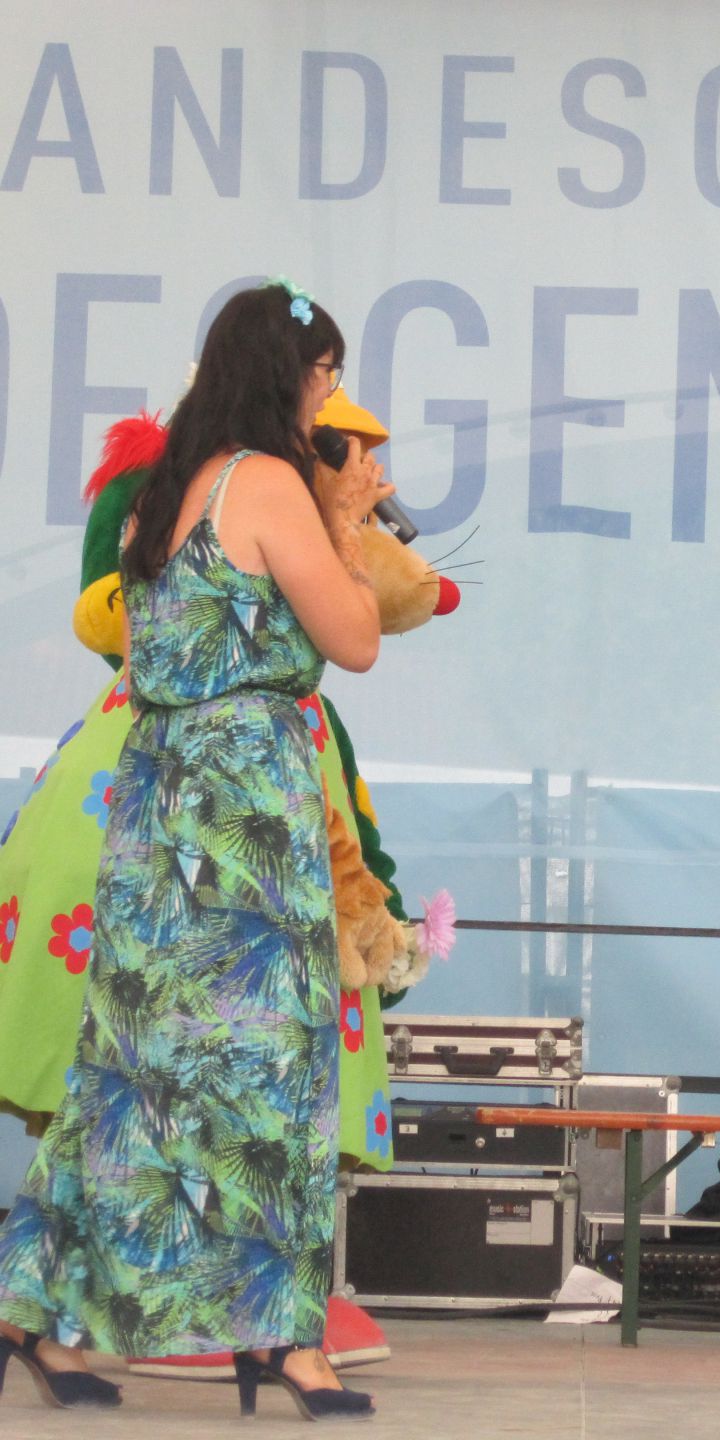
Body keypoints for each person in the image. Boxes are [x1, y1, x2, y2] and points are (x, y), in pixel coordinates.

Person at [0, 279, 392, 1421]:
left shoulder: (164, 487)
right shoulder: (265, 482)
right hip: (241, 806)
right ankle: (285, 1338)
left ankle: (37, 1313)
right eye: (324, 372)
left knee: (132, 1071)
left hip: (158, 791)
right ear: (288, 375)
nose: (330, 392)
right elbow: (356, 639)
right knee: (270, 1066)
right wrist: (349, 524)